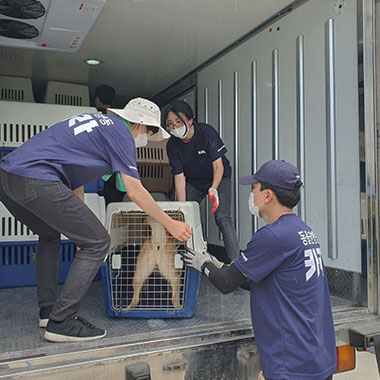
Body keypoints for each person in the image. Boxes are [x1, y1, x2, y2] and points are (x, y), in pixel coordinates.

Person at [0, 97, 192, 343]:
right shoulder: (122, 133)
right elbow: (134, 190)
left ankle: (48, 311)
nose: (146, 139)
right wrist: (171, 223)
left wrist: (80, 230)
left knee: (50, 235)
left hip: (8, 178)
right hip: (38, 178)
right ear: (141, 125)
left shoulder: (96, 124)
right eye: (150, 132)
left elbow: (75, 179)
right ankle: (62, 321)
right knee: (100, 242)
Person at [183, 160, 336, 380]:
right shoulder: (302, 230)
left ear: (267, 196)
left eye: (254, 188)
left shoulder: (272, 236)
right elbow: (257, 279)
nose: (251, 194)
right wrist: (219, 265)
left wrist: (203, 264)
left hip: (292, 364)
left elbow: (226, 284)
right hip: (317, 356)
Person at [164, 100, 239, 263]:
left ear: (190, 121)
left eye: (178, 122)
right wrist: (182, 206)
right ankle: (193, 258)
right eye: (170, 124)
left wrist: (213, 188)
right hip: (193, 181)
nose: (175, 127)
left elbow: (218, 166)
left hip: (218, 178)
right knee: (187, 216)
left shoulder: (206, 132)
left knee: (222, 216)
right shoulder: (172, 145)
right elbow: (179, 177)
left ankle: (236, 264)